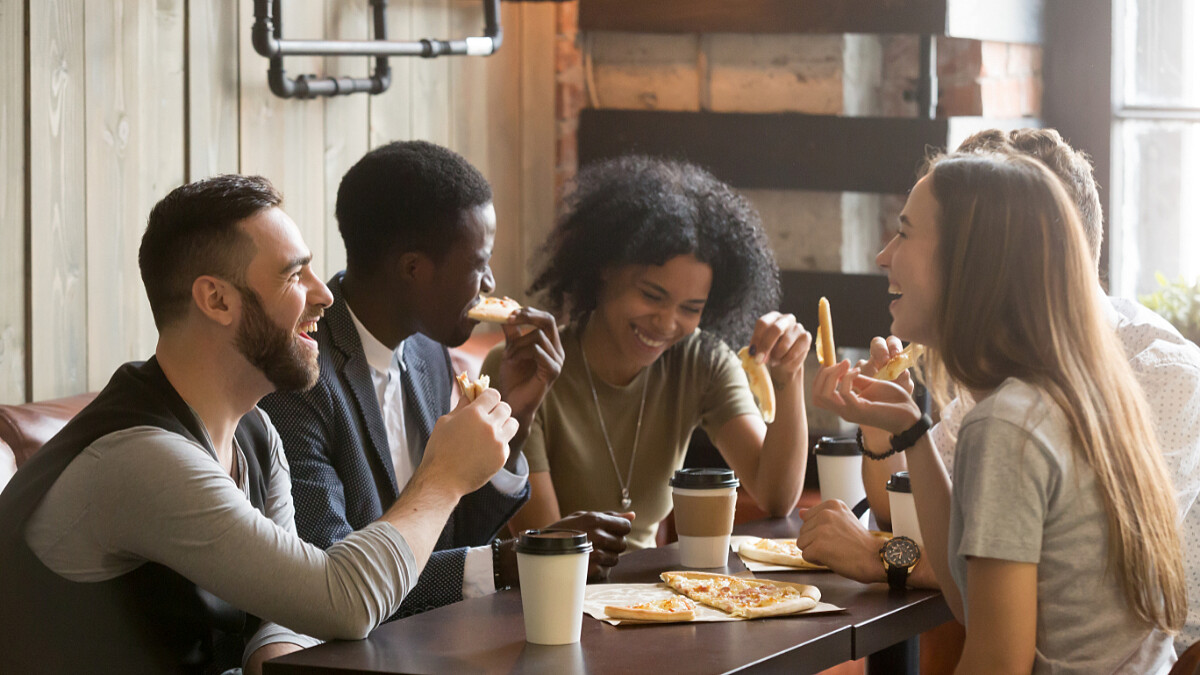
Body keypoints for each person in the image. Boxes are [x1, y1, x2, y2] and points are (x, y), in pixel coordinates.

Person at [0, 174, 517, 674]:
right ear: (217, 300)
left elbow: (281, 611)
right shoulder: (140, 458)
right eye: (294, 275)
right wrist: (444, 476)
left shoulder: (256, 433)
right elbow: (343, 600)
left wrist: (274, 653)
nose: (325, 295)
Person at [797, 128, 1200, 653]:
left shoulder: (1013, 422)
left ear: (974, 265)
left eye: (906, 233)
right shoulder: (1037, 393)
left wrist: (884, 559)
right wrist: (910, 431)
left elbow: (995, 661)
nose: (882, 256)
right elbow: (968, 589)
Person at [259, 141, 631, 619]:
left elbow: (452, 538)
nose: (491, 284)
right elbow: (336, 580)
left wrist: (516, 413)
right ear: (413, 269)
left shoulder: (429, 352)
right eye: (479, 264)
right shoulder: (300, 378)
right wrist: (506, 563)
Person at [484, 156, 812, 549]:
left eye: (691, 309)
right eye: (652, 295)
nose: (667, 323)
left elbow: (775, 496)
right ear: (604, 268)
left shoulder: (701, 363)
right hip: (543, 596)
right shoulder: (524, 370)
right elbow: (548, 550)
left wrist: (788, 377)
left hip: (648, 597)